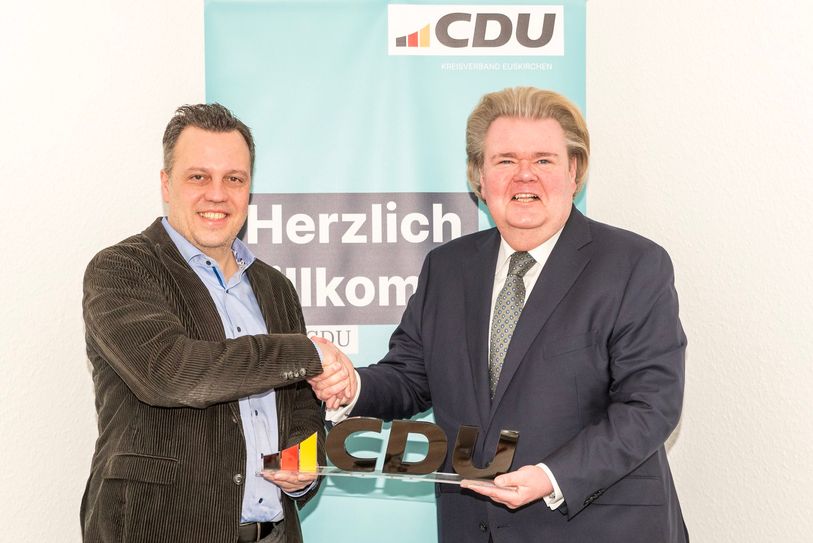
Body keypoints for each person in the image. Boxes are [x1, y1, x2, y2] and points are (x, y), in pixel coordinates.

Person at [311, 87, 689, 542]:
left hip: (599, 528)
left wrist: (551, 476)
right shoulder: (447, 267)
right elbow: (410, 377)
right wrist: (351, 385)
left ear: (574, 172)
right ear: (479, 176)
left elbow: (650, 405)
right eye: (505, 160)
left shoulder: (633, 265)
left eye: (544, 160)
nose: (524, 176)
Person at [81, 103, 349, 543]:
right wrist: (308, 352)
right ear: (166, 184)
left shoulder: (276, 287)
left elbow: (302, 408)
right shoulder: (123, 269)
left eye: (234, 179)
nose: (217, 194)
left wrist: (303, 462)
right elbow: (173, 373)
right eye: (198, 177)